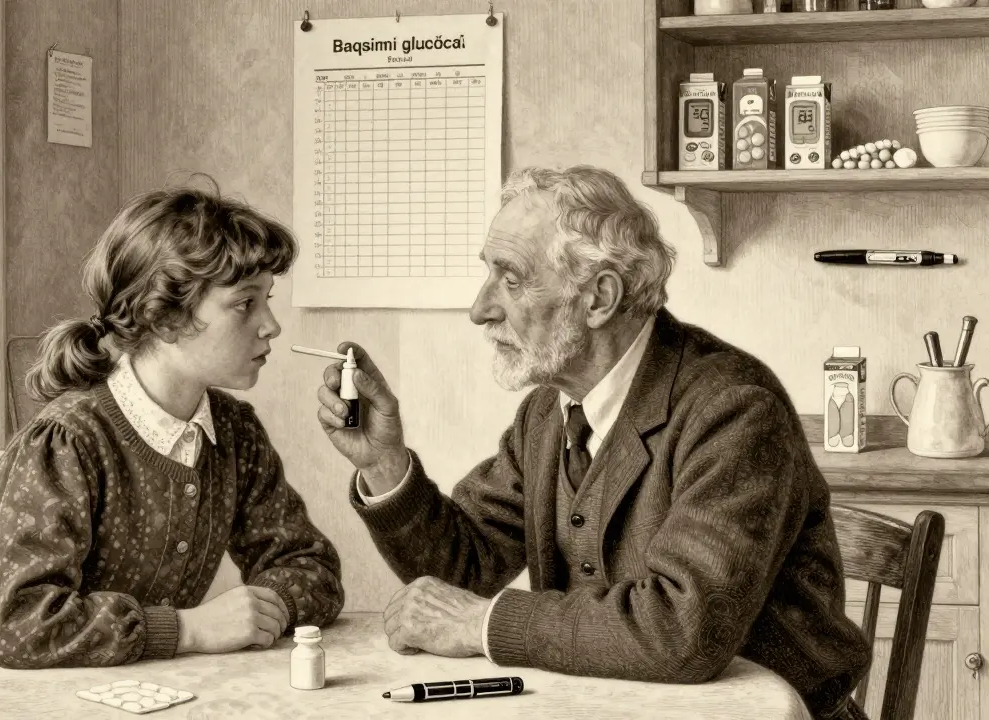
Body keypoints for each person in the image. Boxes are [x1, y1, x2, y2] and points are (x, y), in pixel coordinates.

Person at [314, 165, 872, 720]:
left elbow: (683, 630)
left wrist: (480, 624)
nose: (480, 308)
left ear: (599, 298)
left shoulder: (734, 408)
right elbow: (466, 570)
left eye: (511, 279)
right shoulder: (547, 413)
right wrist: (386, 464)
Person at [0, 180, 344, 688]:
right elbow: (20, 625)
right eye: (245, 304)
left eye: (268, 300)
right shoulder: (68, 441)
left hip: (138, 686)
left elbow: (311, 569)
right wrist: (188, 629)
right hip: (14, 688)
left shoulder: (235, 432)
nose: (271, 325)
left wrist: (270, 605)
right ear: (166, 319)